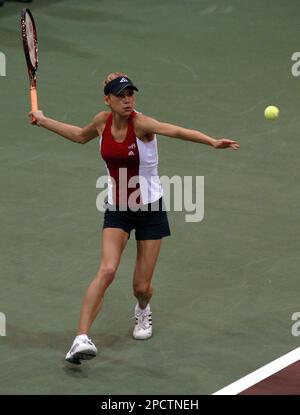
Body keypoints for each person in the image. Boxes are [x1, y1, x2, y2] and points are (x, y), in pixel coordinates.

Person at [29, 72, 239, 364]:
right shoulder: (101, 122)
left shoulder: (142, 124)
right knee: (107, 270)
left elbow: (175, 130)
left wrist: (212, 141)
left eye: (131, 94)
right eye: (121, 96)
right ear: (108, 99)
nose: (128, 100)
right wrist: (43, 119)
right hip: (118, 208)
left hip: (150, 210)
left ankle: (142, 309)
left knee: (141, 287)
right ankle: (80, 339)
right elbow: (79, 136)